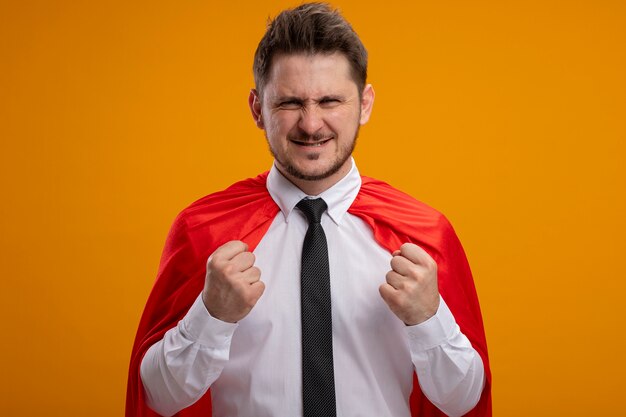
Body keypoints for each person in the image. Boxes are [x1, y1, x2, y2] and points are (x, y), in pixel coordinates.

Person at [126, 3, 491, 417]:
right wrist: (210, 317)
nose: (312, 124)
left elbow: (464, 402)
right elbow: (157, 398)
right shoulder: (203, 231)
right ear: (257, 109)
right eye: (289, 103)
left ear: (365, 104)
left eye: (331, 100)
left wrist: (429, 320)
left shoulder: (424, 234)